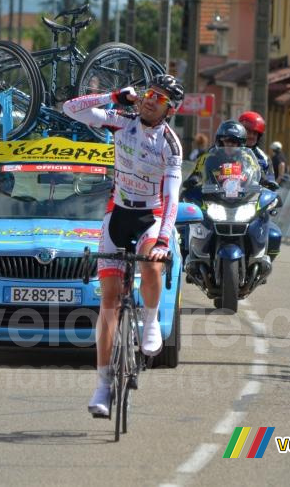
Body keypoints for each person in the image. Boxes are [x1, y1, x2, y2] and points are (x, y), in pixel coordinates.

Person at [63, 74, 184, 418]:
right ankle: (102, 385)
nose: (149, 100)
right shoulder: (121, 121)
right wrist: (114, 95)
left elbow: (172, 196)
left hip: (152, 217)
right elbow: (71, 109)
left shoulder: (170, 145)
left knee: (150, 261)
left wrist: (163, 240)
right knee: (109, 304)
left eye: (159, 99)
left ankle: (149, 322)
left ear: (169, 110)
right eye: (148, 93)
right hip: (118, 215)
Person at [238, 111, 274, 181]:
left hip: (254, 191)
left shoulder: (264, 158)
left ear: (259, 136)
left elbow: (271, 181)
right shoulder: (229, 151)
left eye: (255, 133)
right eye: (248, 132)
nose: (251, 136)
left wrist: (267, 181)